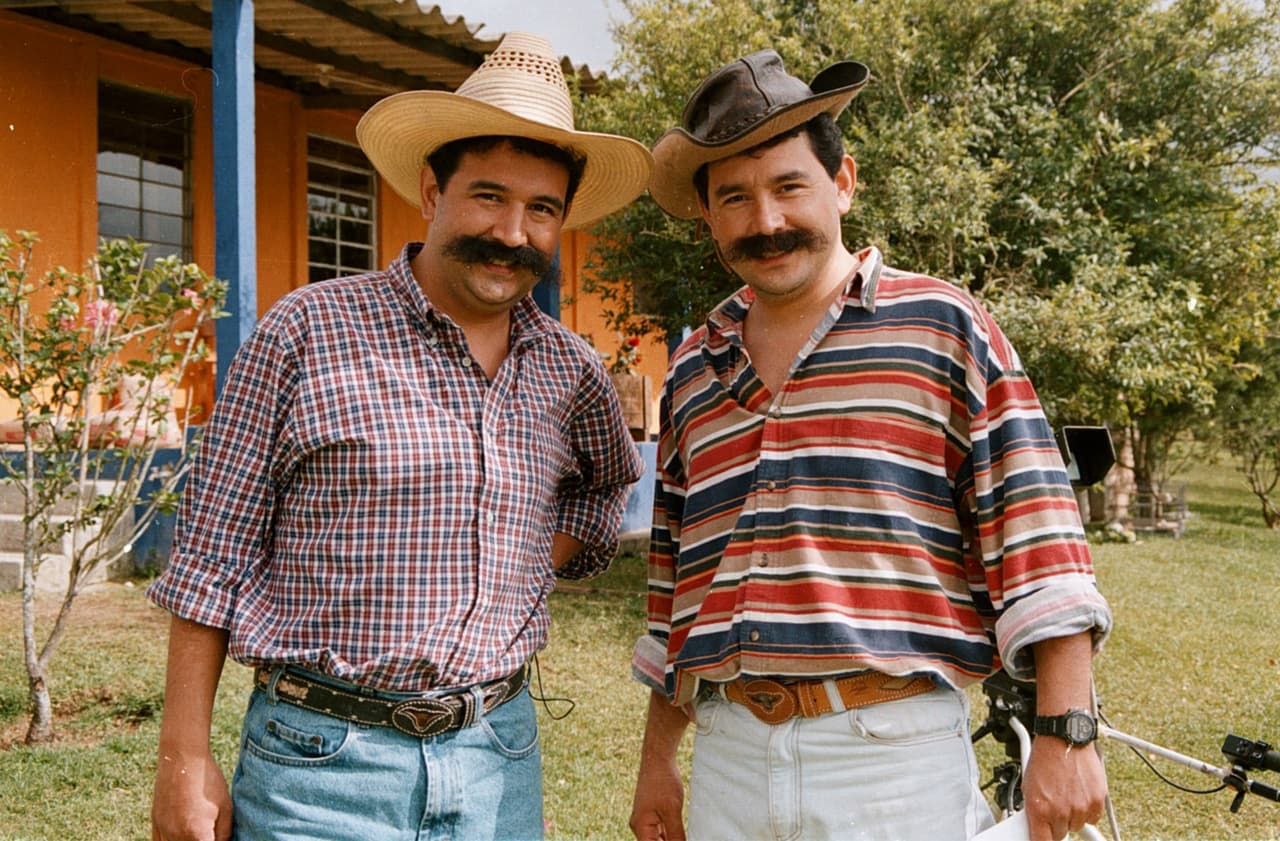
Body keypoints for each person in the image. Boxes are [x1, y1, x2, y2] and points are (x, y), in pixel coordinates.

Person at [147, 32, 652, 841]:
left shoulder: (571, 370)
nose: (513, 232)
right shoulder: (305, 333)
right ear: (430, 190)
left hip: (497, 758)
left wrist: (528, 555)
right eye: (488, 196)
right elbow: (211, 556)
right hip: (316, 765)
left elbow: (603, 488)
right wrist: (183, 757)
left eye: (542, 209)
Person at [628, 50, 1112, 841]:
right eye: (735, 199)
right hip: (728, 757)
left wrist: (1066, 733)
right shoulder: (693, 369)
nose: (767, 221)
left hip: (888, 760)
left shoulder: (942, 326)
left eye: (789, 187)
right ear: (708, 216)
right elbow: (676, 589)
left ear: (842, 182)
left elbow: (1038, 539)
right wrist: (659, 761)